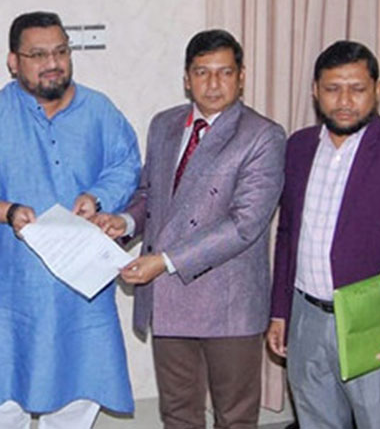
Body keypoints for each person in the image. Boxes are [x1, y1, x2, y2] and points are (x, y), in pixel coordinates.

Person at [0, 11, 141, 429]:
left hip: (81, 299)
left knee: (76, 403)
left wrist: (98, 197)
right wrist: (7, 211)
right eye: (38, 55)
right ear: (13, 61)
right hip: (9, 300)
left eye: (60, 52)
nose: (53, 63)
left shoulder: (99, 110)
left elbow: (126, 164)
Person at [109, 29, 285, 429]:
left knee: (234, 417)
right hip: (168, 299)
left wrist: (165, 261)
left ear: (241, 77)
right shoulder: (165, 124)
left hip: (229, 303)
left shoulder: (262, 136)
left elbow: (244, 224)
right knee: (178, 415)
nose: (213, 84)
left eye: (225, 72)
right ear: (187, 78)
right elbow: (150, 193)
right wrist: (125, 222)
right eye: (202, 72)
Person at [266, 41, 380, 428]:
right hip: (305, 314)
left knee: (379, 421)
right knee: (314, 420)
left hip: (373, 321)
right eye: (333, 89)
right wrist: (280, 310)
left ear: (377, 90)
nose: (345, 101)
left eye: (357, 89)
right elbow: (287, 233)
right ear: (315, 91)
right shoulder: (298, 147)